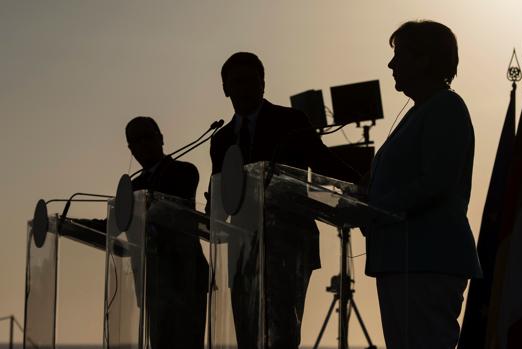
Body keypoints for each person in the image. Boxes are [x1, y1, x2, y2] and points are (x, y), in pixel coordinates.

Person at [208, 52, 359, 349]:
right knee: (248, 336)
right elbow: (220, 192)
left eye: (252, 81)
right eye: (237, 82)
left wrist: (362, 181)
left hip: (287, 242)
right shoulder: (221, 139)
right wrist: (213, 208)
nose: (245, 88)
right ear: (225, 88)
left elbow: (323, 162)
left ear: (263, 84)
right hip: (242, 250)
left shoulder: (290, 120)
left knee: (282, 335)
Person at [364, 21, 482, 348]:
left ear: (424, 60)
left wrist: (373, 209)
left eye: (398, 55)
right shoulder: (420, 112)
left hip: (427, 258)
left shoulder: (446, 107)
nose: (391, 65)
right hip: (402, 259)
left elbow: (436, 182)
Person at [124, 116, 209, 349]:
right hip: (153, 281)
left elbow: (168, 207)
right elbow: (121, 224)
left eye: (147, 137)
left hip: (185, 277)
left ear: (160, 138)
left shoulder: (184, 171)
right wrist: (71, 223)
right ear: (130, 149)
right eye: (135, 141)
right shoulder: (132, 187)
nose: (142, 145)